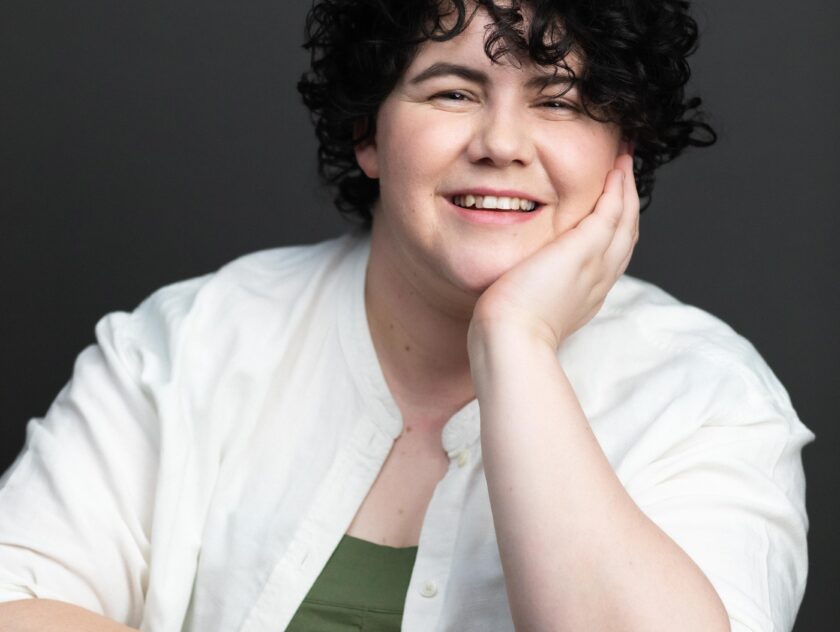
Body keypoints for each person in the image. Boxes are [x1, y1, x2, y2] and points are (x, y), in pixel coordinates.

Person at [0, 1, 813, 631]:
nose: (502, 142)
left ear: (622, 151)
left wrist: (515, 342)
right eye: (453, 90)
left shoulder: (708, 400)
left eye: (559, 101)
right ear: (369, 133)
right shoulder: (188, 344)